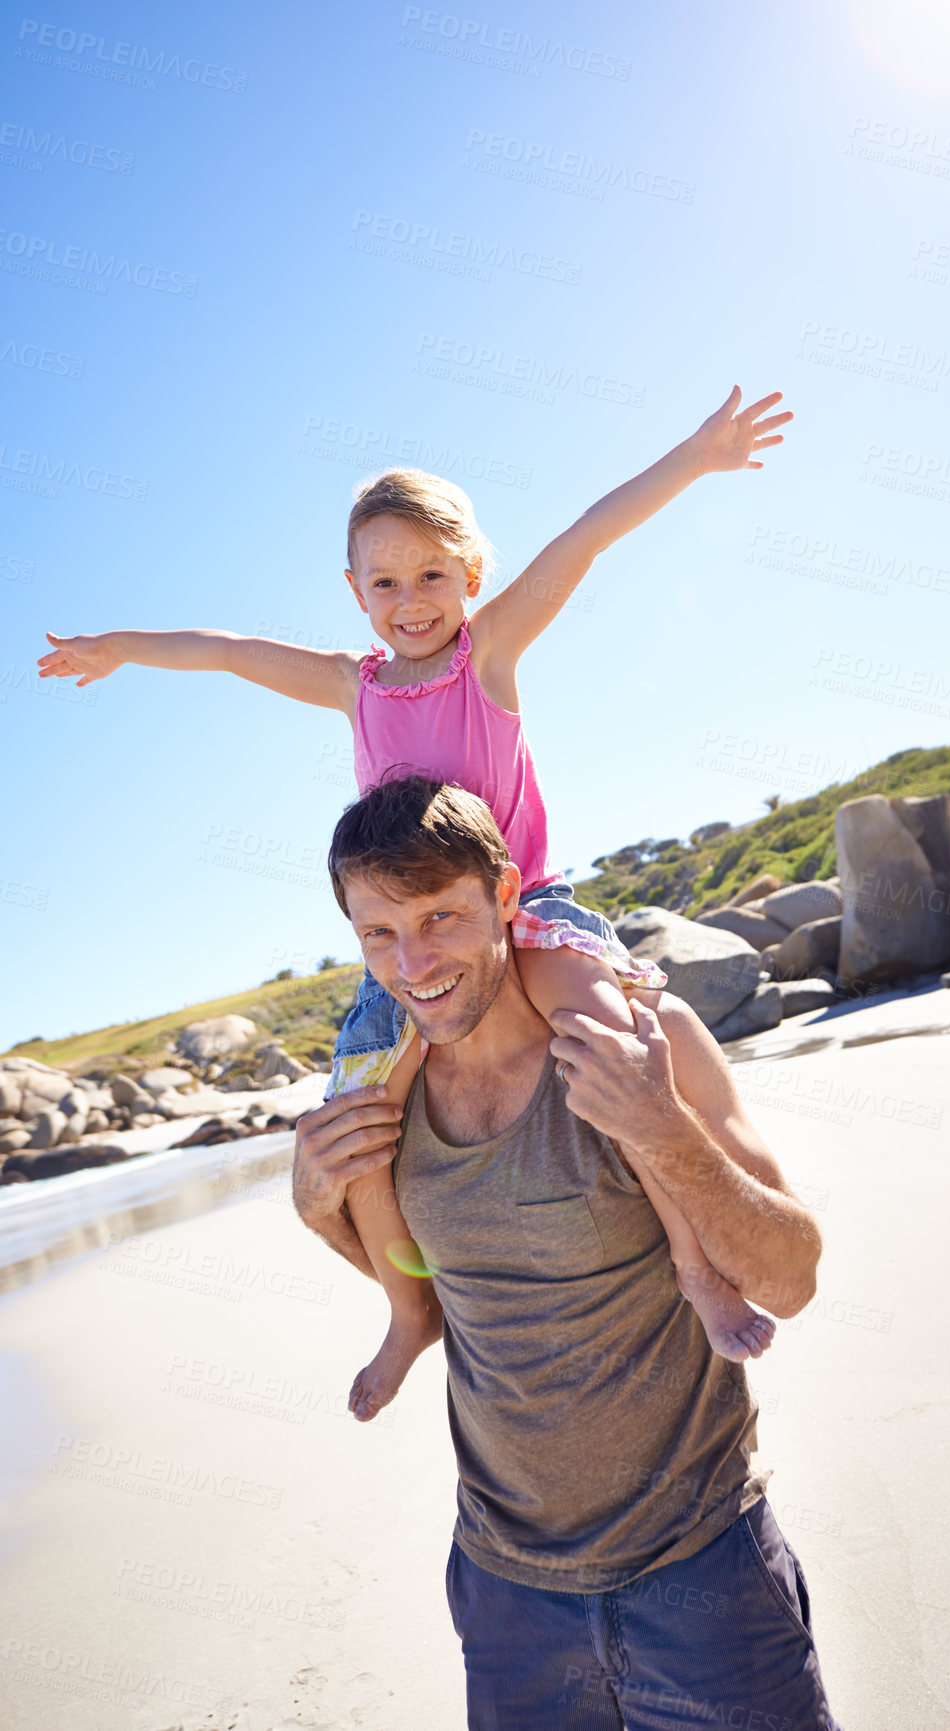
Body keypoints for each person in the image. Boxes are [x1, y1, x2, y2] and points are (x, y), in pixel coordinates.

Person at [38, 384, 794, 1419]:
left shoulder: (487, 656)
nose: (412, 596)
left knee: (616, 1052)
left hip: (530, 906)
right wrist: (119, 646)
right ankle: (409, 1310)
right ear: (354, 589)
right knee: (359, 1122)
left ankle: (699, 1270)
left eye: (434, 573)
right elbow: (230, 651)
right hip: (417, 938)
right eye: (386, 579)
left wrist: (697, 456)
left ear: (471, 576)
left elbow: (583, 541)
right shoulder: (357, 686)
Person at [293, 776, 841, 1731]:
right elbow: (442, 1281)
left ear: (507, 898)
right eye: (378, 932)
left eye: (442, 917)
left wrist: (659, 1124)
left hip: (702, 1572)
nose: (412, 962)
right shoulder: (384, 1098)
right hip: (507, 1598)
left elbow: (788, 1277)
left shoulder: (640, 1041)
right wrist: (315, 1204)